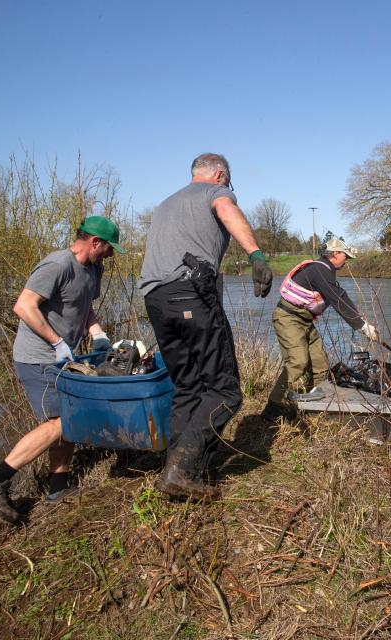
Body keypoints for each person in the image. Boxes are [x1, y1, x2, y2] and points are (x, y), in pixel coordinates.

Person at [0, 216, 124, 524]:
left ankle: (57, 491)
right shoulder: (57, 265)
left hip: (63, 359)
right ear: (94, 242)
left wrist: (98, 333)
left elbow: (85, 306)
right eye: (108, 248)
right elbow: (24, 306)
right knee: (63, 421)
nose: (110, 255)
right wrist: (57, 342)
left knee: (66, 422)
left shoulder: (95, 269)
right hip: (37, 357)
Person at [140, 153, 273, 501]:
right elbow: (228, 211)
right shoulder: (214, 194)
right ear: (219, 175)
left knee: (187, 388)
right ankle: (182, 471)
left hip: (155, 299)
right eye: (228, 182)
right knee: (224, 392)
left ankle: (176, 467)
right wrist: (256, 255)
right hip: (191, 293)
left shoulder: (166, 204)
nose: (228, 188)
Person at [261, 237, 378, 421]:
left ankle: (311, 406)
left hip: (305, 321)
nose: (346, 260)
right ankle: (273, 408)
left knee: (320, 364)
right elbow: (338, 297)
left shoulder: (324, 271)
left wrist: (361, 323)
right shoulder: (319, 270)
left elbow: (340, 295)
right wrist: (362, 326)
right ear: (335, 254)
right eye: (345, 256)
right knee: (298, 362)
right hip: (288, 318)